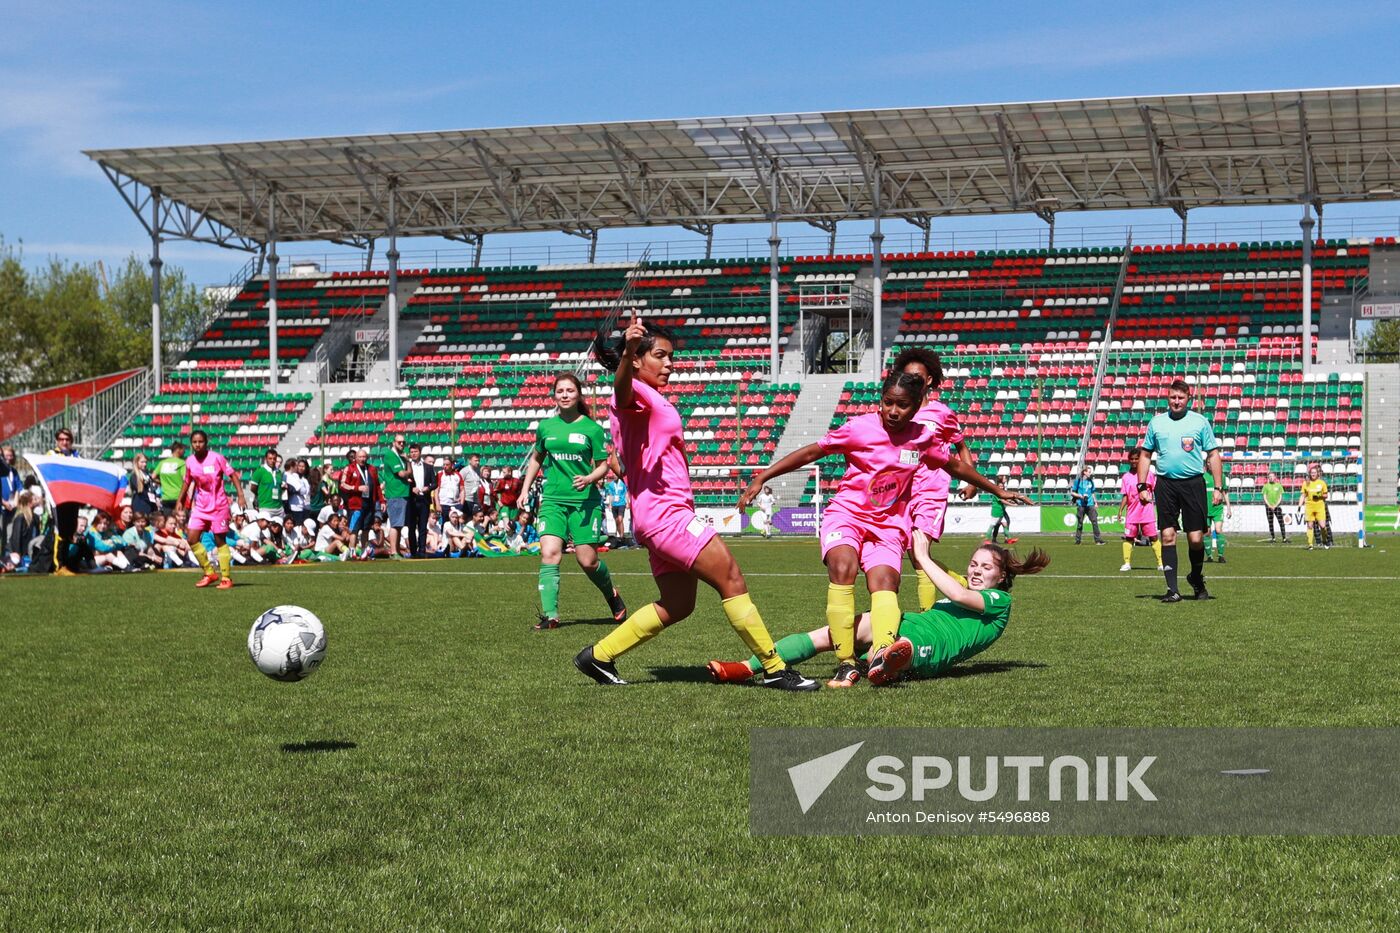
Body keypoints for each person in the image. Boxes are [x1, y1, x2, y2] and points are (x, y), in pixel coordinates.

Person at [739, 369, 1026, 688]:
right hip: (848, 514)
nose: (893, 410)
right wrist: (763, 476)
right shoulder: (859, 427)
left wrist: (994, 488)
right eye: (888, 402)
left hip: (889, 523)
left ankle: (881, 654)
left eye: (902, 405)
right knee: (843, 567)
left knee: (886, 582)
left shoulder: (922, 438)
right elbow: (811, 452)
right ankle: (846, 662)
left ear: (916, 406)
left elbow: (955, 466)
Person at [575, 314, 818, 691]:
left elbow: (623, 461)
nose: (670, 364)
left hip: (655, 516)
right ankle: (774, 668)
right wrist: (625, 357)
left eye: (671, 356)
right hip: (667, 516)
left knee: (678, 603)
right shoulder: (633, 393)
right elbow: (621, 390)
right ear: (637, 359)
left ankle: (599, 656)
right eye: (660, 355)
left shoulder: (647, 400)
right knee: (732, 577)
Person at [709, 530, 1049, 686]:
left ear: (1002, 575)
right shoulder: (962, 581)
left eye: (985, 568)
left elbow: (958, 596)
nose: (975, 571)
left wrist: (926, 559)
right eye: (974, 564)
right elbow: (932, 567)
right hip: (902, 622)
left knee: (897, 651)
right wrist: (910, 539)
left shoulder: (1000, 601)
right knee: (831, 634)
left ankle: (883, 665)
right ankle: (746, 667)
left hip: (934, 647)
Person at [520, 372, 628, 630]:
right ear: (554, 395)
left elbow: (604, 466)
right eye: (560, 391)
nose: (565, 395)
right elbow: (536, 458)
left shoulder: (591, 428)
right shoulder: (546, 427)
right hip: (553, 500)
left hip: (584, 503)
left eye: (570, 391)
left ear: (578, 394)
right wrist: (524, 489)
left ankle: (612, 595)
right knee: (549, 554)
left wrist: (589, 478)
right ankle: (550, 615)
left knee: (587, 561)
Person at [893, 348, 980, 609]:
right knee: (916, 555)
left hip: (932, 491)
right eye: (907, 376)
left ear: (929, 380)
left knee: (920, 557)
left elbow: (961, 448)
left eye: (918, 376)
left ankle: (926, 618)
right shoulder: (898, 413)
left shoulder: (942, 414)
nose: (913, 380)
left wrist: (971, 481)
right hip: (903, 492)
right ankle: (958, 582)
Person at [1138, 379, 1222, 602]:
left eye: (1181, 398)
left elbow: (1213, 455)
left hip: (1193, 483)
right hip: (1166, 484)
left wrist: (1218, 487)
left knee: (1196, 539)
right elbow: (1145, 455)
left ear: (1188, 399)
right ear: (1168, 397)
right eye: (1173, 397)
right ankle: (1172, 590)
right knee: (1167, 535)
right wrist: (1142, 485)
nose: (1176, 401)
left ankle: (1195, 577)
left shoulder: (1200, 422)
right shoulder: (1156, 423)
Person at [179, 428, 248, 589]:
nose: (197, 445)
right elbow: (187, 481)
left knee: (219, 540)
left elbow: (233, 475)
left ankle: (226, 578)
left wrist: (240, 495)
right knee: (191, 539)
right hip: (201, 507)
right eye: (194, 442)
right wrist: (180, 500)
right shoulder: (189, 461)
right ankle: (209, 572)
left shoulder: (217, 458)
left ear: (206, 442)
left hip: (219, 507)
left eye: (200, 442)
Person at [1118, 447, 1164, 572]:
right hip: (1132, 513)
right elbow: (1125, 495)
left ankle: (1160, 563)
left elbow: (1156, 491)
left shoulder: (1149, 474)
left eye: (1136, 459)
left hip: (1146, 511)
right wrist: (1120, 510)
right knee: (1129, 538)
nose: (1134, 461)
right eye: (1131, 459)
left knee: (1153, 537)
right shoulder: (1126, 477)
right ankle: (1127, 563)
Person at [381, 434, 412, 559]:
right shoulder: (390, 455)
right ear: (394, 443)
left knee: (399, 524)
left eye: (404, 442)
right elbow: (402, 474)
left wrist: (407, 462)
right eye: (399, 442)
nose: (402, 444)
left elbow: (407, 473)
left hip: (402, 492)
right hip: (395, 493)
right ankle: (394, 551)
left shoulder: (400, 456)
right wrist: (408, 466)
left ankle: (397, 551)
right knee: (395, 524)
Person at [405, 442, 436, 558]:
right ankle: (413, 551)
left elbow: (435, 483)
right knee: (411, 527)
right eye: (411, 452)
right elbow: (403, 482)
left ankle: (422, 550)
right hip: (411, 500)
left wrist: (428, 488)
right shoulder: (406, 466)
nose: (413, 454)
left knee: (423, 526)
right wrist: (411, 488)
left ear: (420, 452)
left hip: (424, 499)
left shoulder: (428, 467)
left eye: (415, 452)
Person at [4, 490, 43, 572]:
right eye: (35, 499)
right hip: (15, 552)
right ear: (29, 503)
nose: (38, 500)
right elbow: (16, 538)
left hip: (27, 553)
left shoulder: (35, 517)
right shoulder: (20, 517)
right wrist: (18, 554)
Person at [247, 449, 286, 524]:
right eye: (270, 458)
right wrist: (262, 494)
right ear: (266, 459)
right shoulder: (260, 471)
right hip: (266, 507)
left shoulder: (278, 472)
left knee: (279, 530)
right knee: (266, 530)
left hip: (279, 507)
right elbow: (253, 488)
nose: (272, 461)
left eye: (274, 459)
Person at [1300, 463, 1332, 550]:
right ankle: (1310, 544)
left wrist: (1319, 496)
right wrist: (1299, 506)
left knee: (1322, 526)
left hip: (1319, 506)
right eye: (1312, 472)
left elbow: (1326, 495)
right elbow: (1303, 495)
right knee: (1310, 525)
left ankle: (1325, 540)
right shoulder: (1306, 483)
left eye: (1314, 472)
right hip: (1309, 506)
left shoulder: (1322, 483)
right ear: (1309, 474)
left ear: (1317, 473)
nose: (1313, 474)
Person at [1070, 467, 1105, 545]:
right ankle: (1078, 540)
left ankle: (1098, 540)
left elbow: (1092, 493)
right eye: (1089, 472)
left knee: (1094, 521)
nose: (1090, 473)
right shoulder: (1078, 481)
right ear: (1084, 472)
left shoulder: (1091, 481)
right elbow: (1072, 493)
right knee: (1080, 523)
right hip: (1081, 505)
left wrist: (1095, 502)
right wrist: (1080, 496)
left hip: (1090, 504)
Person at [1203, 469, 1232, 563]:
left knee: (1218, 530)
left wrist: (1228, 508)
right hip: (1205, 509)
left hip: (1217, 509)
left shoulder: (1221, 476)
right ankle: (1209, 557)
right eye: (1207, 462)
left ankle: (1221, 556)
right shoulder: (1203, 476)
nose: (1210, 464)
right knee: (1207, 533)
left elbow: (1224, 492)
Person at [155, 440, 187, 513]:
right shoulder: (182, 463)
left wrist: (162, 482)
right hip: (179, 497)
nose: (184, 453)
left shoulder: (162, 463)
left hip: (166, 497)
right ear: (178, 450)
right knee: (179, 521)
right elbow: (185, 479)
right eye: (183, 451)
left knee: (168, 521)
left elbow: (153, 476)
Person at [1, 446, 22, 552]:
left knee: (9, 533)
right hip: (2, 507)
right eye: (6, 456)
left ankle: (7, 556)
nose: (8, 458)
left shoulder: (13, 471)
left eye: (10, 455)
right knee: (1, 532)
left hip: (12, 507)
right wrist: (4, 503)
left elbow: (18, 487)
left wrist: (16, 502)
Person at [435, 457, 464, 529]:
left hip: (455, 504)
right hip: (444, 504)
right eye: (444, 464)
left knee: (456, 525)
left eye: (447, 464)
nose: (445, 466)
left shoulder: (458, 475)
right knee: (444, 525)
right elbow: (436, 490)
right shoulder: (439, 475)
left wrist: (461, 503)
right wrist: (437, 504)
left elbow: (462, 489)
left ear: (452, 465)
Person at [128, 452, 159, 517]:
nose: (144, 464)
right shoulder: (134, 476)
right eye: (142, 462)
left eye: (146, 462)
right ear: (137, 463)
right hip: (140, 505)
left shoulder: (147, 474)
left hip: (150, 505)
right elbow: (141, 492)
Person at [1261, 471, 1289, 543]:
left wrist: (1275, 505)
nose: (1271, 478)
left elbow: (1280, 497)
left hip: (1277, 507)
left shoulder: (1279, 485)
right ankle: (1273, 538)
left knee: (1281, 522)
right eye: (1269, 477)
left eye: (1272, 476)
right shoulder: (1265, 486)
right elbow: (1264, 497)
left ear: (1275, 477)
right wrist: (1269, 505)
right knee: (1270, 522)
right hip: (1268, 507)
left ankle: (1284, 538)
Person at [603, 471, 630, 543]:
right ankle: (620, 537)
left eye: (616, 474)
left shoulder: (623, 483)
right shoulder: (611, 485)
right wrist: (610, 504)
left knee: (620, 519)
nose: (615, 476)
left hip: (621, 503)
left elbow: (626, 493)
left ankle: (621, 535)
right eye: (614, 474)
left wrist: (627, 503)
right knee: (616, 521)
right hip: (614, 504)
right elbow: (611, 495)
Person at [285, 459, 311, 528]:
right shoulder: (293, 476)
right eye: (299, 466)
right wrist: (299, 490)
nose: (301, 468)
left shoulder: (305, 479)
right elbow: (300, 490)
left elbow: (306, 491)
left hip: (305, 506)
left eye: (303, 466)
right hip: (295, 506)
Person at [459, 453, 486, 520]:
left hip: (476, 500)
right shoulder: (464, 471)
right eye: (475, 460)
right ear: (469, 461)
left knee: (473, 519)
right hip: (467, 499)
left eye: (478, 461)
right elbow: (459, 484)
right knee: (464, 519)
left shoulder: (478, 471)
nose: (478, 462)